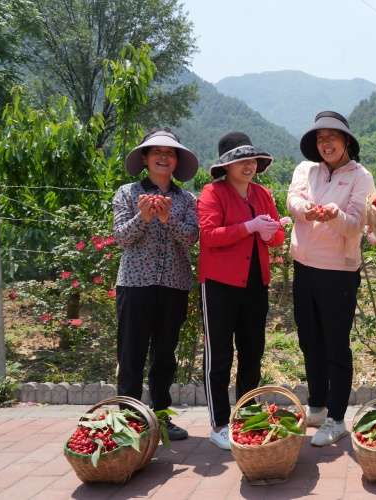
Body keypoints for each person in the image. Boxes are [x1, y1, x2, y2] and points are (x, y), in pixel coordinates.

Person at [287, 111, 376, 446]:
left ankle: (337, 418)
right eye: (320, 138)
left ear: (346, 142)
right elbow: (293, 197)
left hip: (338, 271)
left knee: (336, 345)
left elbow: (357, 224)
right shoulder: (305, 169)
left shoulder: (360, 177)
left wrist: (334, 215)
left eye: (332, 137)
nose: (325, 143)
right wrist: (303, 209)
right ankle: (317, 406)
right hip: (304, 267)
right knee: (310, 340)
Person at [198, 132, 285, 450]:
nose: (248, 166)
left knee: (252, 353)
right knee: (219, 355)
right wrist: (248, 227)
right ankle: (219, 424)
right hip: (219, 285)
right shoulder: (212, 192)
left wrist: (271, 232)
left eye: (252, 160)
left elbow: (276, 239)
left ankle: (247, 416)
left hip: (255, 284)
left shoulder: (263, 194)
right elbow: (209, 235)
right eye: (241, 161)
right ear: (227, 165)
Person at [113, 128, 200, 441]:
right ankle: (130, 420)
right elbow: (122, 238)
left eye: (171, 153)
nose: (164, 157)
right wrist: (143, 217)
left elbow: (191, 237)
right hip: (135, 285)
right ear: (145, 159)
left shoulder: (187, 199)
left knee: (165, 355)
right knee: (131, 354)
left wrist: (167, 219)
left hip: (174, 285)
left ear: (176, 161)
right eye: (157, 152)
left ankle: (161, 417)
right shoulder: (127, 193)